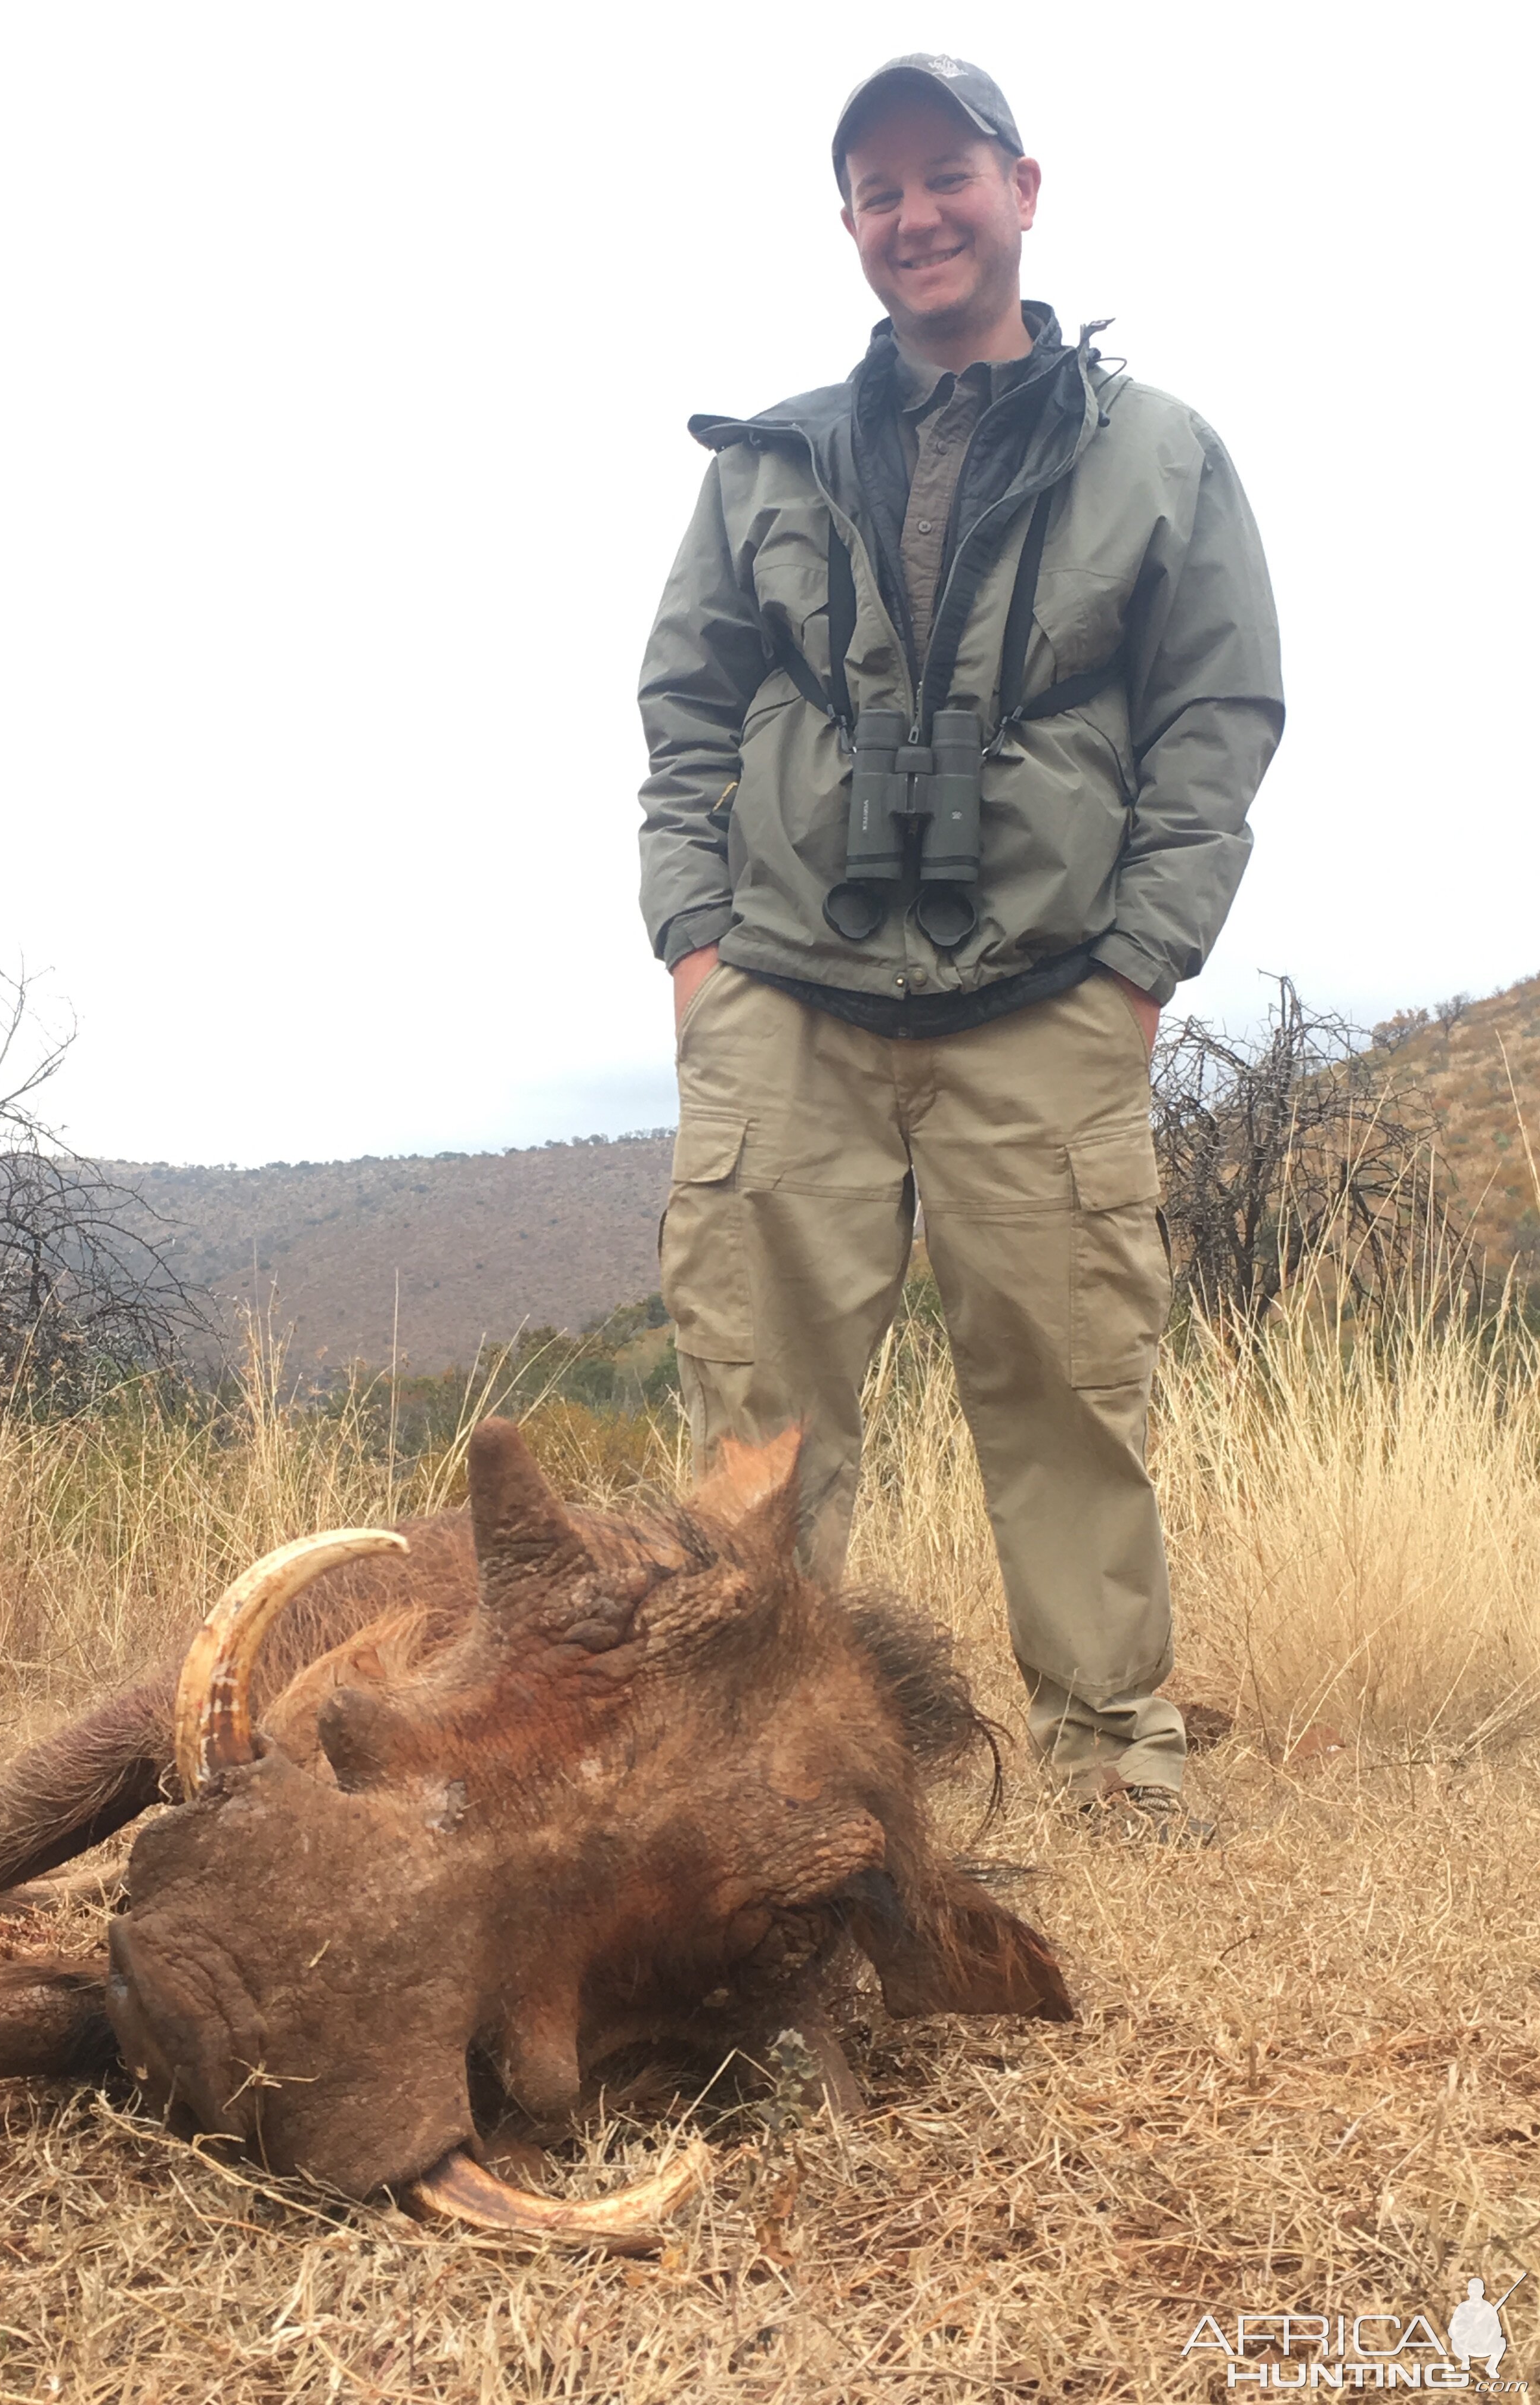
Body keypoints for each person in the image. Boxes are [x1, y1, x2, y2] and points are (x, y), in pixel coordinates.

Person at [636, 54, 1282, 1842]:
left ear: (1024, 189)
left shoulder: (1159, 451)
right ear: (849, 226)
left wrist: (1140, 962)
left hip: (1049, 998)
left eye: (948, 176)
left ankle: (1115, 1757)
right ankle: (747, 1763)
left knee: (1069, 1390)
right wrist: (698, 946)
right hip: (786, 993)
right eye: (879, 191)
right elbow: (685, 707)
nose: (916, 215)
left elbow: (1215, 719)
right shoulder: (764, 460)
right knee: (758, 1416)